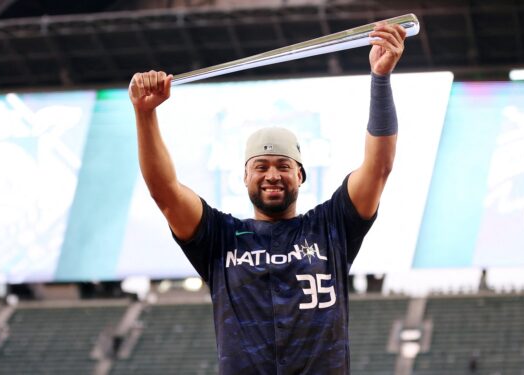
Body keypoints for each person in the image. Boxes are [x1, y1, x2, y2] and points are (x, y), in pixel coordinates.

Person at [129, 21, 406, 374]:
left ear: (300, 175)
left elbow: (379, 166)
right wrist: (145, 114)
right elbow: (164, 191)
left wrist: (380, 80)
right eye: (260, 166)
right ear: (244, 176)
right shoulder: (219, 237)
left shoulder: (330, 227)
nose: (272, 175)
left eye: (283, 166)